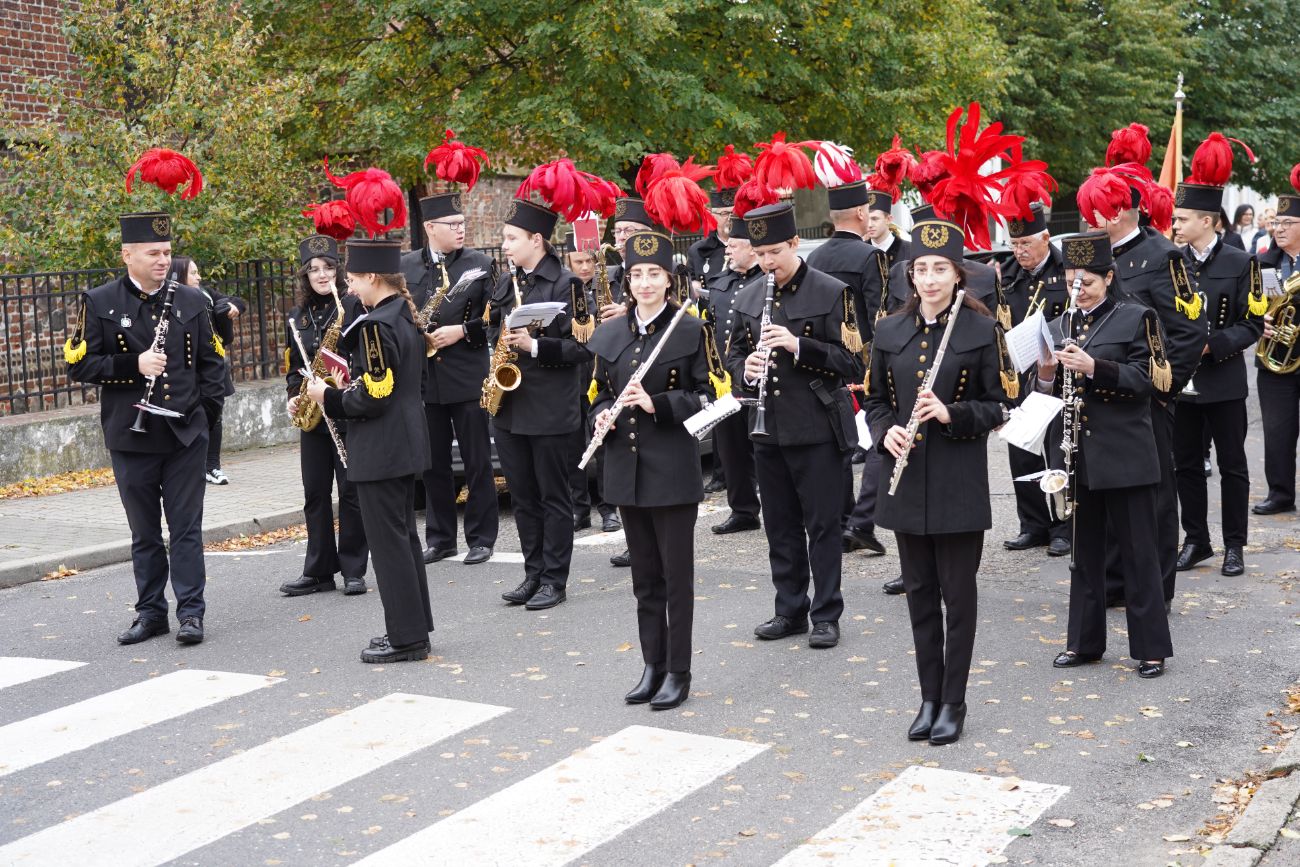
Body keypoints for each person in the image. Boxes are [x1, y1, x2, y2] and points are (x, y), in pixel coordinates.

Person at [863, 211, 1013, 745]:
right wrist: (885, 433)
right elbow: (876, 401)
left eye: (939, 269)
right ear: (910, 276)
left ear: (957, 274)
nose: (928, 279)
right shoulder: (888, 329)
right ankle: (928, 697)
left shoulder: (980, 328)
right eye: (920, 269)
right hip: (905, 483)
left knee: (958, 594)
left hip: (957, 480)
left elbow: (1000, 405)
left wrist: (953, 414)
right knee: (920, 593)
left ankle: (954, 701)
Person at [66, 210, 226, 646]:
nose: (162, 260)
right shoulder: (98, 302)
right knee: (145, 533)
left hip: (184, 435)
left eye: (168, 252)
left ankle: (191, 613)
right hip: (131, 436)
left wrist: (205, 422)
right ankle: (151, 612)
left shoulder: (192, 300)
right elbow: (79, 364)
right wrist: (132, 366)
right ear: (127, 254)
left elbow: (213, 367)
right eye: (153, 252)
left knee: (187, 529)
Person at [1035, 232, 1173, 679]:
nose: (1078, 290)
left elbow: (1146, 381)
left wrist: (1096, 367)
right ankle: (1084, 643)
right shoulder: (1058, 324)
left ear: (1109, 278)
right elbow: (1053, 392)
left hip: (1127, 452)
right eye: (1072, 281)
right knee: (1084, 554)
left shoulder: (1137, 317)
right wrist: (1045, 374)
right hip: (1079, 456)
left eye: (1088, 282)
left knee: (1138, 553)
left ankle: (1151, 649)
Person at [725, 202, 861, 650]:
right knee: (780, 525)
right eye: (760, 253)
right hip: (768, 431)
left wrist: (800, 345)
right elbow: (733, 357)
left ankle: (826, 614)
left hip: (817, 428)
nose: (768, 262)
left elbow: (853, 361)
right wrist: (748, 369)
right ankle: (790, 609)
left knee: (822, 526)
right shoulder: (747, 297)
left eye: (775, 252)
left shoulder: (831, 291)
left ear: (795, 243)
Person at [589, 229, 714, 710]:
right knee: (644, 579)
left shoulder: (689, 330)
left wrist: (658, 403)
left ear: (668, 280)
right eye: (636, 274)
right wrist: (601, 414)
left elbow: (708, 397)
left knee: (675, 578)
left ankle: (678, 671)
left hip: (672, 471)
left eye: (653, 275)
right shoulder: (611, 333)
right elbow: (598, 392)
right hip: (626, 470)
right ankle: (651, 664)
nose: (644, 283)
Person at [1078, 152, 1207, 608]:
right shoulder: (1095, 254)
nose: (1087, 219)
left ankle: (1155, 591)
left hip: (1146, 396)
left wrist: (1163, 391)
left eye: (1093, 211)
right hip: (1102, 395)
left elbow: (1189, 332)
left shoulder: (1162, 255)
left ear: (1116, 212)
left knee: (1152, 500)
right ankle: (1115, 584)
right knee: (1106, 495)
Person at [307, 236, 434, 663]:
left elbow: (375, 394)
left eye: (354, 279)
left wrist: (329, 396)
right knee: (404, 538)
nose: (349, 288)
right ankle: (415, 627)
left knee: (390, 543)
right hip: (403, 442)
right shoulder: (403, 317)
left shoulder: (375, 325)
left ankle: (406, 638)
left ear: (374, 278)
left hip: (381, 448)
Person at [491, 183, 595, 611]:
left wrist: (533, 347)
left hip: (551, 408)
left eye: (511, 238)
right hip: (511, 407)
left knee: (554, 497)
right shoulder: (506, 281)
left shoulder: (566, 283)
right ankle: (533, 573)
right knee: (523, 496)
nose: (505, 245)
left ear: (536, 240)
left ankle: (555, 578)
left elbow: (583, 348)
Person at [1171, 164, 1265, 576]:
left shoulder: (1243, 261)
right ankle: (1196, 540)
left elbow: (1254, 323)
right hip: (1180, 381)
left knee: (1232, 464)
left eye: (1182, 219)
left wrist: (1213, 344)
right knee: (1186, 464)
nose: (1175, 224)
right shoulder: (1170, 262)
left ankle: (1234, 545)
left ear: (1207, 221)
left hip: (1223, 378)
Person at [400, 189, 500, 566]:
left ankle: (481, 537)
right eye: (453, 224)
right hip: (425, 378)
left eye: (463, 223)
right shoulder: (406, 265)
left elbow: (495, 317)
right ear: (429, 227)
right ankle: (441, 538)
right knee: (433, 463)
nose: (461, 230)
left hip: (467, 372)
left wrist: (462, 331)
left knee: (477, 460)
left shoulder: (479, 263)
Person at [803, 179, 889, 557]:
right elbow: (880, 317)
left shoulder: (815, 258)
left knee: (840, 446)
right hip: (864, 366)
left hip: (826, 363)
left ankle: (841, 520)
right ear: (859, 213)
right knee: (876, 440)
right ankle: (860, 521)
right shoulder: (870, 257)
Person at [282, 234, 369, 597]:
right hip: (313, 414)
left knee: (350, 491)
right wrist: (292, 397)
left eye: (328, 268)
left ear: (338, 270)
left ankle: (353, 569)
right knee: (315, 492)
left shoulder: (355, 307)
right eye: (314, 270)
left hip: (345, 409)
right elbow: (292, 365)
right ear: (305, 276)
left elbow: (366, 358)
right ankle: (318, 570)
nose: (321, 275)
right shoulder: (297, 315)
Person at [1000, 203, 1071, 557]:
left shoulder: (1067, 266)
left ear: (1045, 237)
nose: (1019, 251)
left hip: (1058, 372)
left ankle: (1063, 525)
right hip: (1020, 375)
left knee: (1058, 452)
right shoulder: (1007, 272)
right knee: (1022, 450)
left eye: (1026, 243)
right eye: (1014, 244)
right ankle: (1033, 524)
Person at [703, 218, 763, 535]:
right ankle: (743, 510)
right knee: (731, 450)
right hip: (726, 382)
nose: (727, 248)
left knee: (765, 448)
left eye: (734, 244)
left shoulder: (766, 281)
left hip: (759, 380)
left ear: (752, 248)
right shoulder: (718, 283)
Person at [167, 257, 246, 486]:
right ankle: (189, 467)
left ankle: (212, 466)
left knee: (215, 416)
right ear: (180, 276)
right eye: (193, 273)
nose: (198, 277)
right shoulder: (171, 300)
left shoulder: (206, 294)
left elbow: (236, 301)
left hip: (212, 365)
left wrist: (233, 307)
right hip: (186, 369)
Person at [1253, 173, 1300, 515]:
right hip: (1276, 362)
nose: (1278, 228)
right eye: (1276, 222)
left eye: (1287, 222)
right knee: (1277, 431)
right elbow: (1252, 305)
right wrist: (1260, 323)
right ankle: (1280, 493)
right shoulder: (1264, 263)